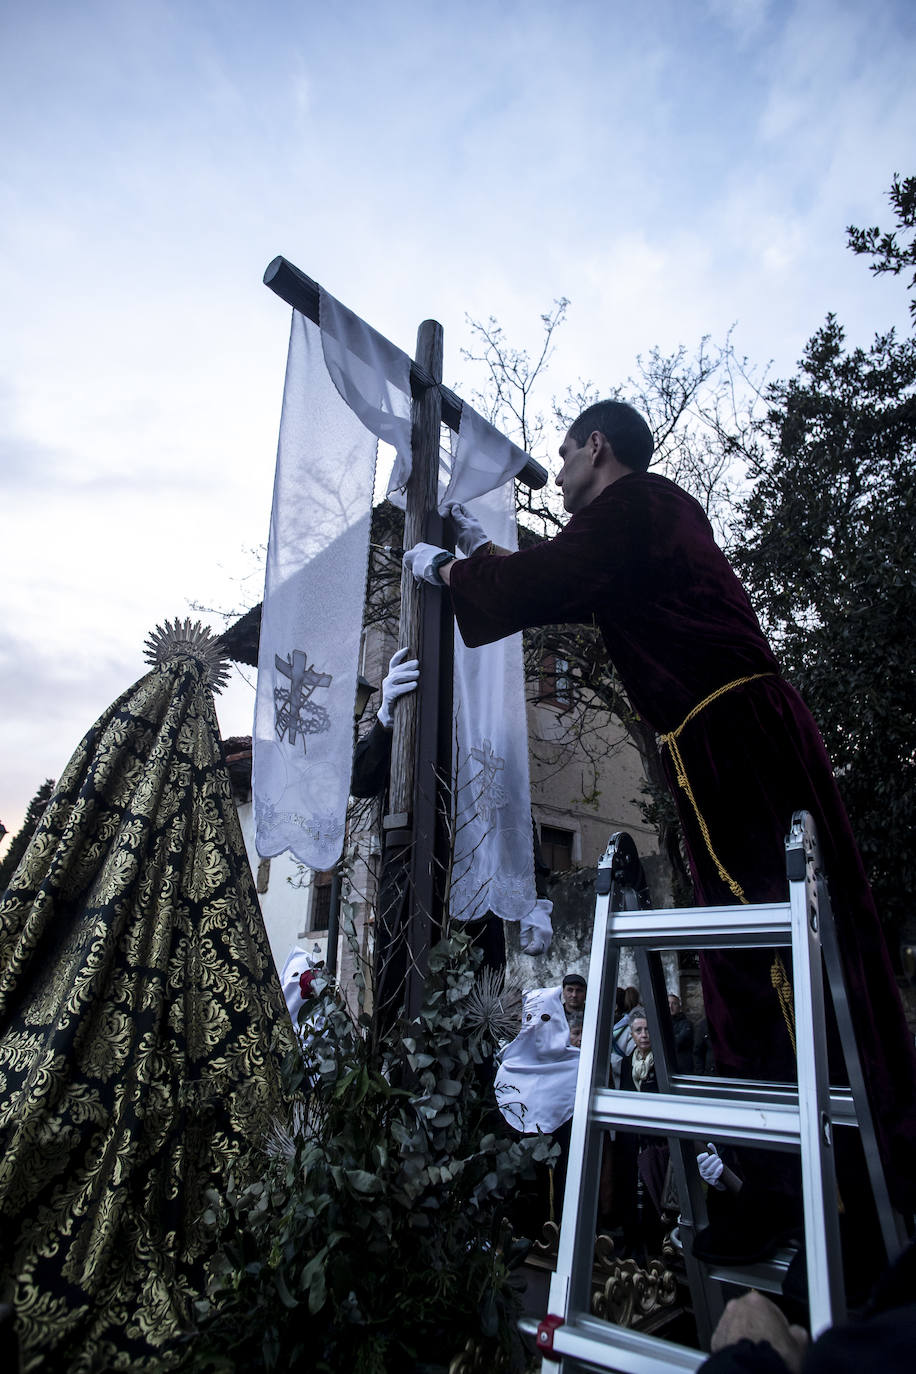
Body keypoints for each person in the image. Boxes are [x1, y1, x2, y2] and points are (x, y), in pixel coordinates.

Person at [402, 398, 916, 1218]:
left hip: (733, 743)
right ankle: (786, 1180)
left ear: (597, 448)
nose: (558, 471)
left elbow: (550, 577)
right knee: (745, 955)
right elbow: (564, 576)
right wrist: (476, 549)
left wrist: (446, 570)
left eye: (565, 455)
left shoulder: (636, 506)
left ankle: (817, 1194)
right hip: (731, 737)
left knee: (763, 959)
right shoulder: (649, 520)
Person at [669, 992, 695, 1074]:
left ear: (679, 1007)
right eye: (668, 1003)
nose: (670, 1006)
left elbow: (676, 1042)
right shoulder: (661, 1023)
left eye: (674, 1004)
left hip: (683, 1067)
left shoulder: (686, 1024)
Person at [561, 971, 586, 1047]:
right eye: (570, 990)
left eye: (578, 991)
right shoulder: (554, 1016)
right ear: (563, 992)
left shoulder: (595, 1015)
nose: (574, 995)